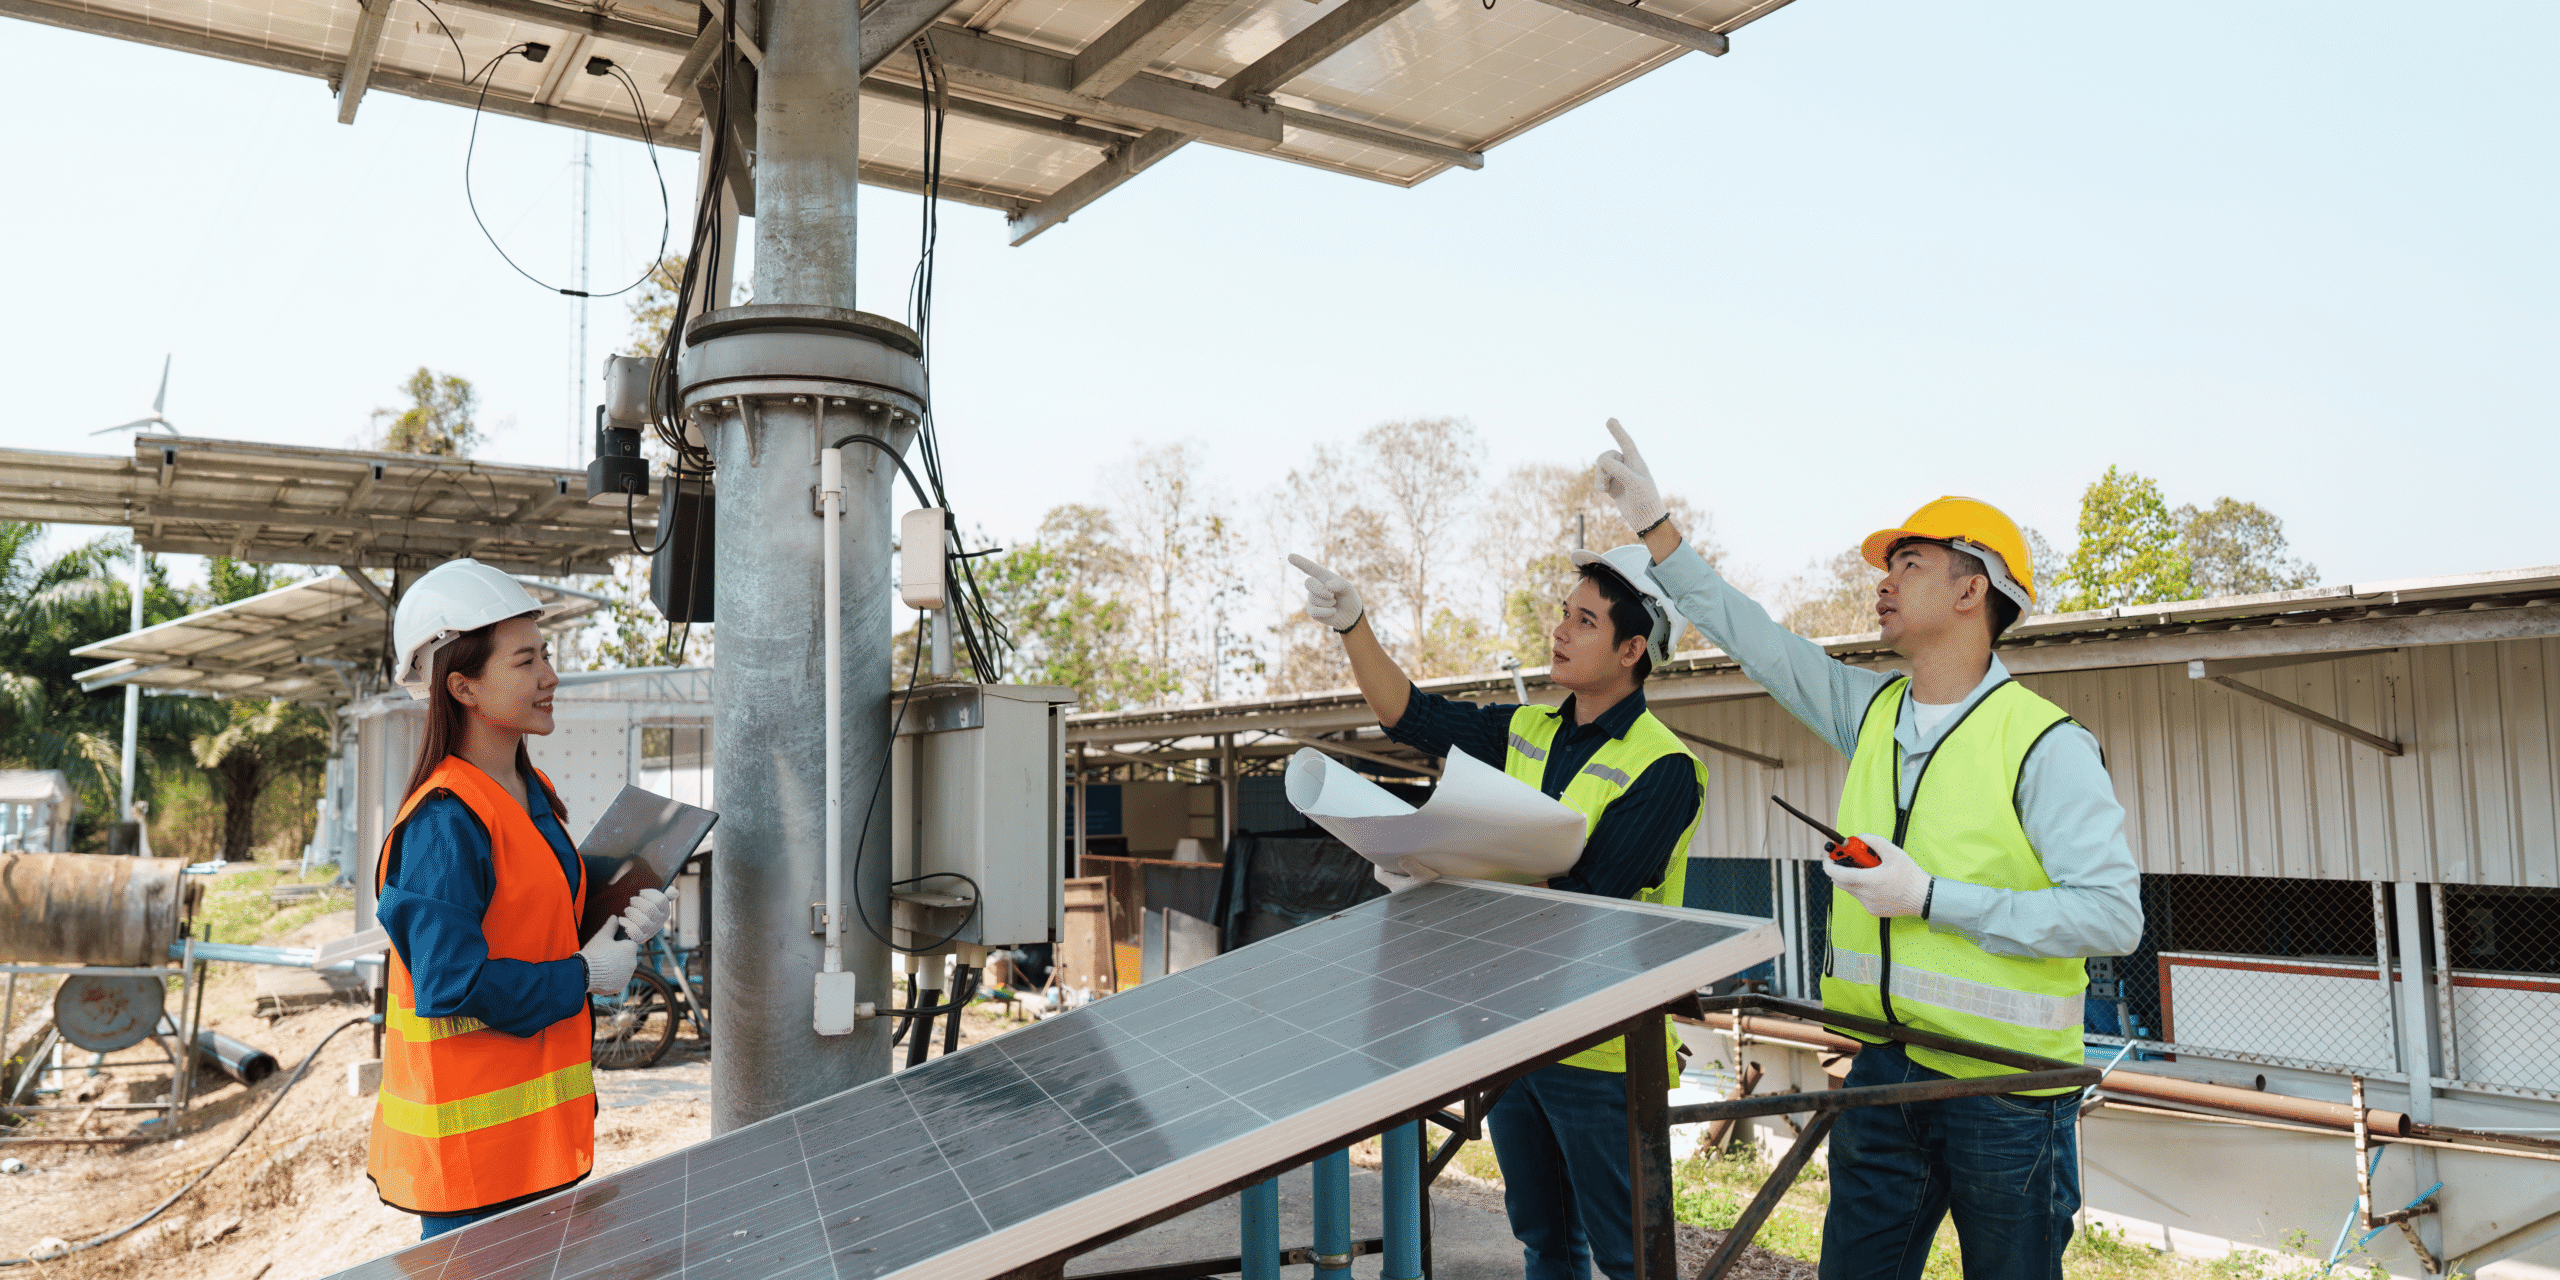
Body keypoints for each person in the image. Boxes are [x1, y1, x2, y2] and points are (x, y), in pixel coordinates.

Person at [1589, 421, 2143, 1280]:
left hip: (2007, 1094)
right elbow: (1759, 640)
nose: (1883, 583)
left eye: (1909, 564)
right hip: (1884, 1071)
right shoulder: (1871, 709)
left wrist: (1930, 898)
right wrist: (1659, 531)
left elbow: (2112, 916)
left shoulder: (2044, 743)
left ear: (1974, 590)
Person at [1284, 547, 1708, 1280]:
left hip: (1604, 1051)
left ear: (1633, 650)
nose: (1561, 630)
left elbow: (1592, 900)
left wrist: (1441, 867)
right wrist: (1354, 625)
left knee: (1630, 1255)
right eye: (1564, 614)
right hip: (1517, 1033)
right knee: (1545, 1240)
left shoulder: (1663, 766)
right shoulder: (1525, 731)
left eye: (1585, 620)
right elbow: (1410, 716)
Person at [367, 558, 675, 1240]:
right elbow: (451, 981)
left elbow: (534, 921)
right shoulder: (444, 822)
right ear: (463, 687)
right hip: (475, 1169)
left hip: (539, 1145)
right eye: (525, 661)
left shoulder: (531, 797)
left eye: (548, 656)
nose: (549, 677)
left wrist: (621, 920)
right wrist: (585, 976)